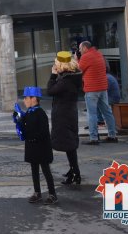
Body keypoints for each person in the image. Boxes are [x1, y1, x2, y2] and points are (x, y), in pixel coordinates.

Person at [46, 51, 83, 186]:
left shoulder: (66, 81)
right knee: (70, 145)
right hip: (68, 113)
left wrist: (53, 75)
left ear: (61, 64)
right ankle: (74, 170)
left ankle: (75, 173)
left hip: (64, 116)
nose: (55, 66)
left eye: (56, 63)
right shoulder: (71, 77)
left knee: (68, 145)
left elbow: (49, 90)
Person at [18, 86, 57, 205]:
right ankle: (37, 192)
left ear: (34, 98)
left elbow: (44, 131)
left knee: (45, 170)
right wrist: (19, 121)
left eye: (26, 98)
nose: (24, 100)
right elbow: (24, 128)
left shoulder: (40, 113)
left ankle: (52, 194)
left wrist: (33, 136)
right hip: (31, 146)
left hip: (42, 147)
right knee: (34, 169)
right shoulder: (28, 113)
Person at [78, 41, 118, 145]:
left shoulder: (86, 57)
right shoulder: (99, 54)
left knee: (92, 114)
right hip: (102, 88)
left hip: (92, 89)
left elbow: (78, 70)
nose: (79, 51)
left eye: (80, 49)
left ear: (85, 48)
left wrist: (75, 59)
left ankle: (94, 138)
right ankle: (112, 136)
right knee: (107, 112)